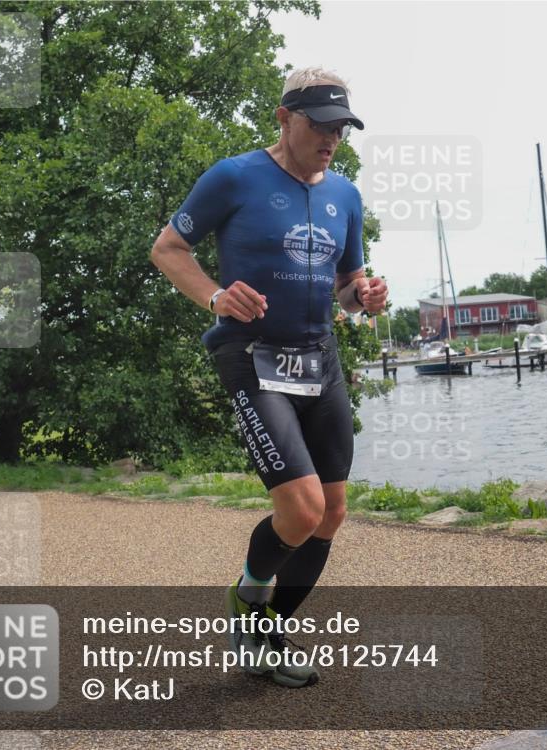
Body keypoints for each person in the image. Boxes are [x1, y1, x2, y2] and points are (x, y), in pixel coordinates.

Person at [150, 67, 388, 687]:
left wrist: (365, 295)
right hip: (253, 354)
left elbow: (346, 288)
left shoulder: (346, 194)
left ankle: (262, 629)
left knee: (331, 512)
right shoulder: (234, 177)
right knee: (302, 508)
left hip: (320, 357)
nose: (332, 139)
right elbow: (168, 249)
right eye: (321, 125)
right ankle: (249, 596)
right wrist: (215, 297)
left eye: (342, 128)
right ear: (284, 119)